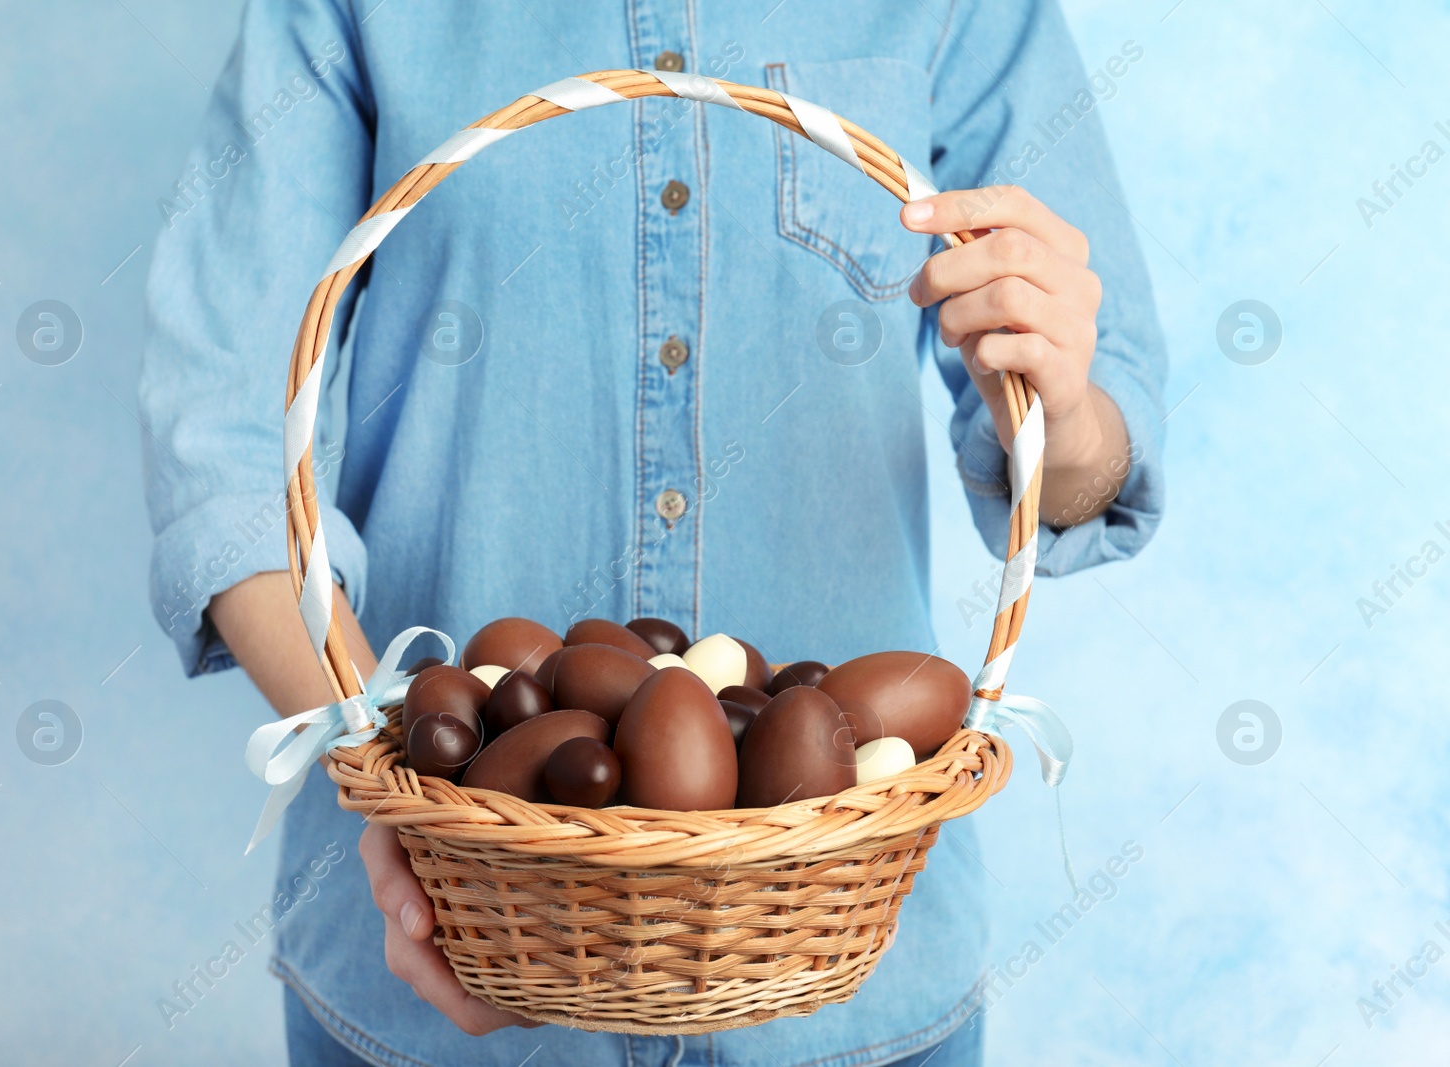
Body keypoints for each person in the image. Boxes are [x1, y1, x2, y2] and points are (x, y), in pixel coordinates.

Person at [139, 1, 1165, 1064]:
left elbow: (1090, 471)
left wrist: (1056, 407)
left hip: (853, 967)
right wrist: (403, 798)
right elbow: (225, 448)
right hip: (428, 958)